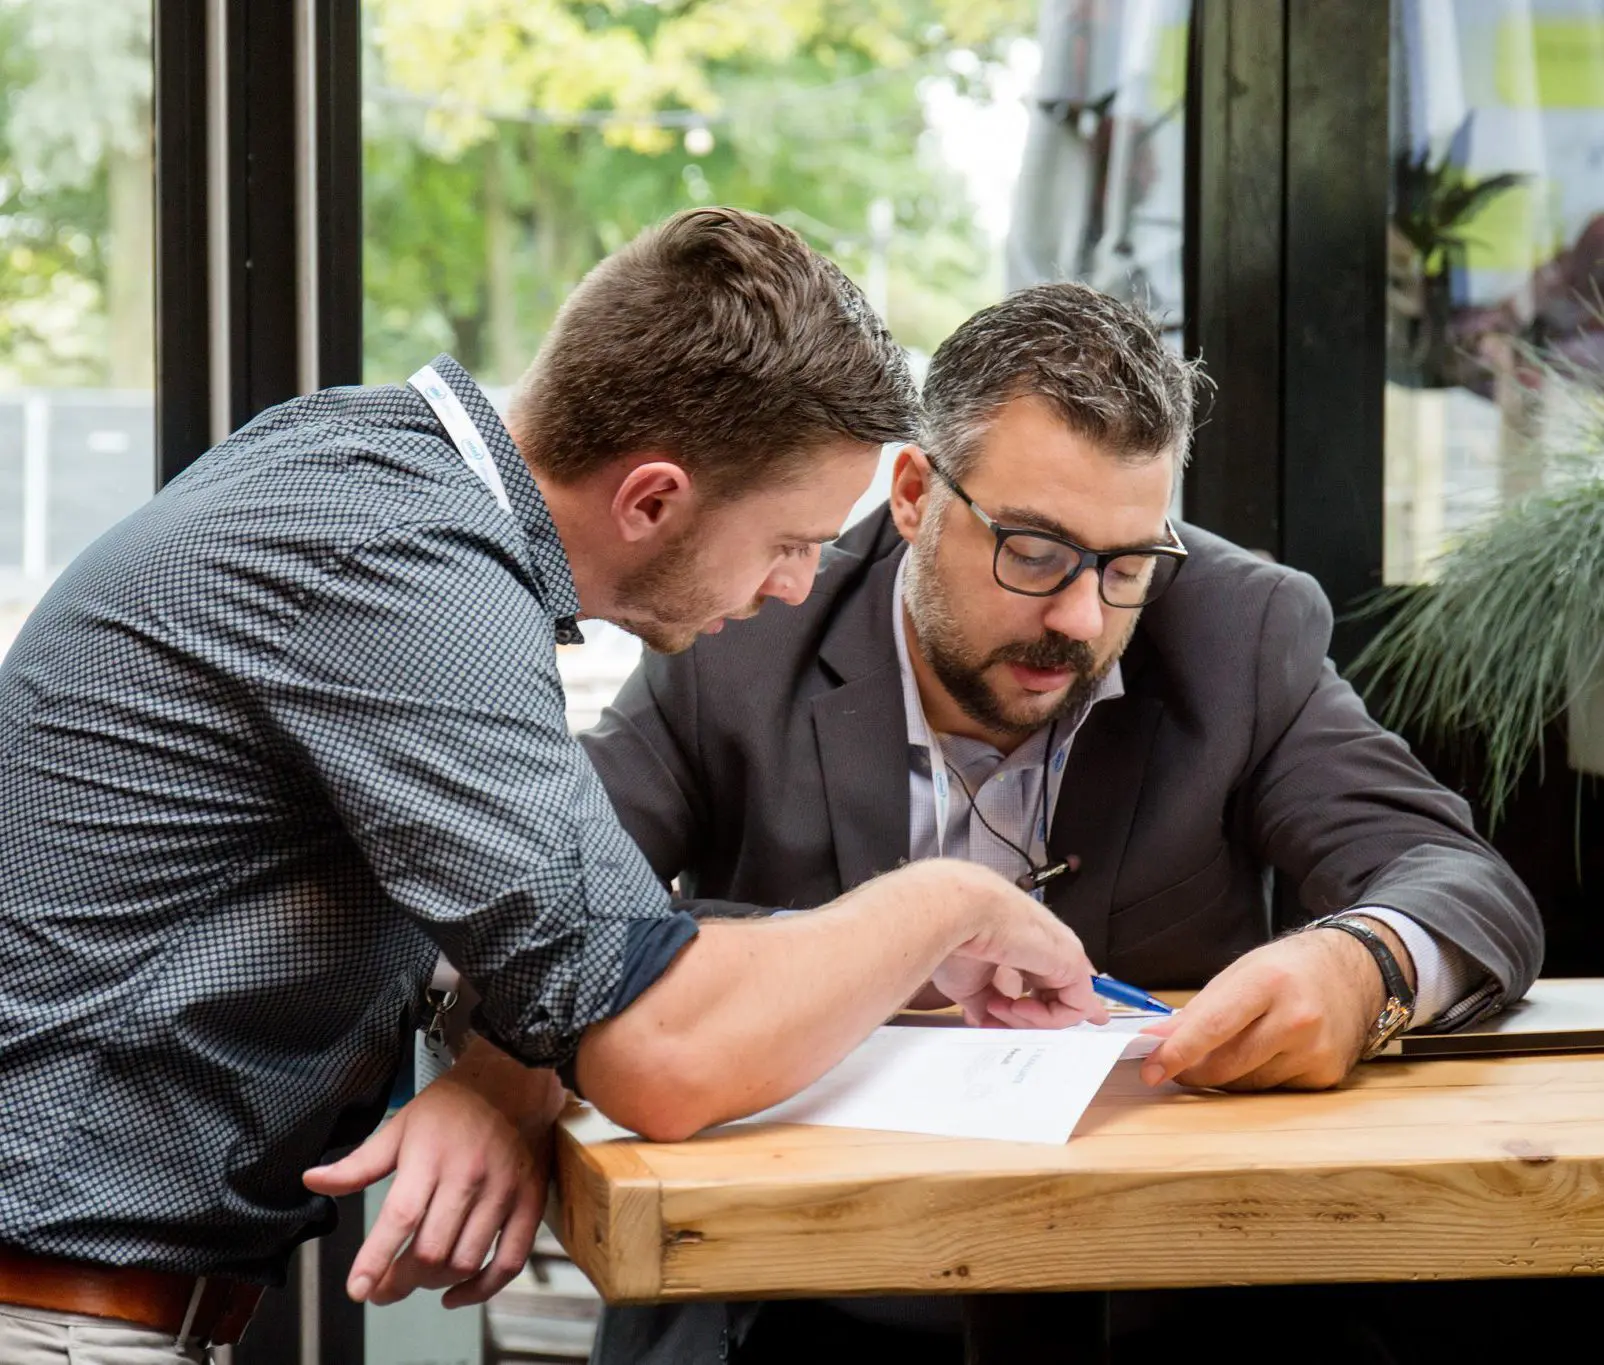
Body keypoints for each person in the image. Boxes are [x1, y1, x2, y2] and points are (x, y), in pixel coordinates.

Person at [0, 209, 1104, 1363]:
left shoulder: (361, 472)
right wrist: (948, 901)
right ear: (652, 499)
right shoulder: (402, 567)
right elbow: (660, 1051)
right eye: (788, 541)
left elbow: (594, 940)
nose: (792, 588)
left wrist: (521, 1070)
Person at [577, 281, 1545, 1365]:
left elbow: (1451, 876)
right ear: (910, 495)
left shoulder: (1237, 626)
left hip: (1163, 1289)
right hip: (807, 1291)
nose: (1081, 620)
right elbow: (557, 902)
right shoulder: (743, 624)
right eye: (1032, 553)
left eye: (1125, 565)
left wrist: (1361, 968)